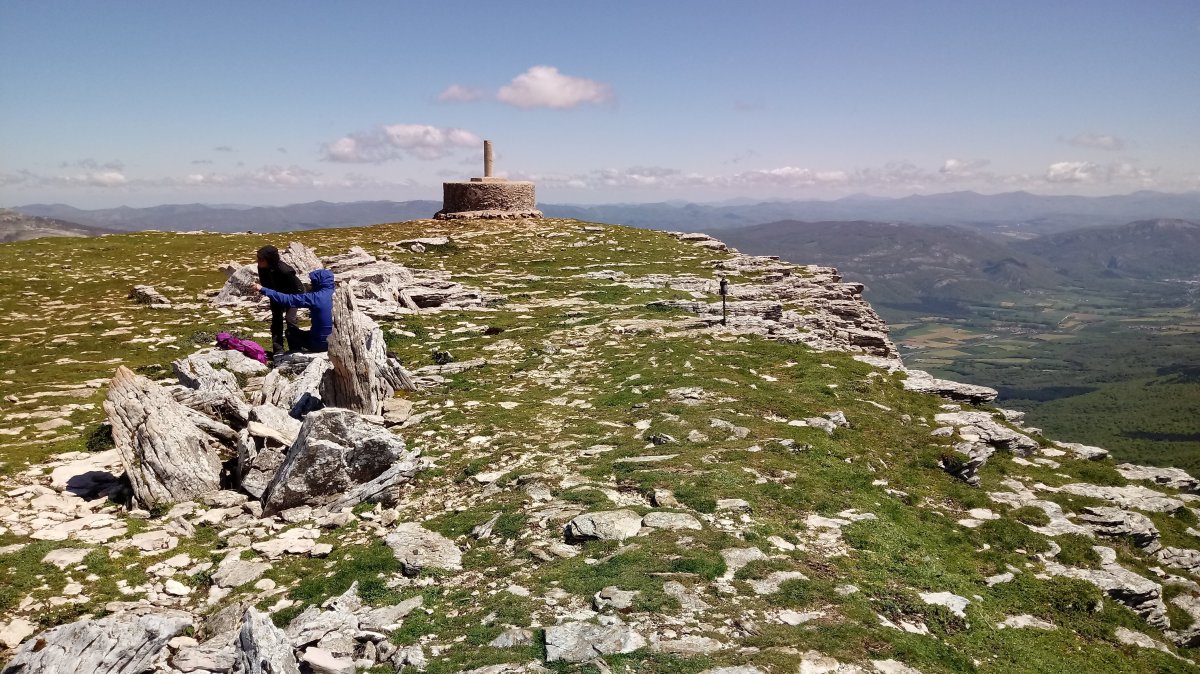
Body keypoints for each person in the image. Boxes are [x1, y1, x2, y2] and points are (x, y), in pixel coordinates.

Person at [252, 269, 335, 353]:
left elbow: (287, 299)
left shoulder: (316, 297)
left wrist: (262, 289)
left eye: (313, 282)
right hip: (336, 343)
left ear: (318, 282)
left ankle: (295, 354)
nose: (311, 284)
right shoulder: (338, 295)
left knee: (291, 332)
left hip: (320, 345)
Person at [255, 245, 305, 358]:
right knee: (276, 320)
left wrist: (288, 300)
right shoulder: (262, 267)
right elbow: (265, 283)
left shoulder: (285, 270)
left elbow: (296, 288)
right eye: (258, 258)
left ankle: (295, 348)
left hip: (293, 295)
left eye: (261, 259)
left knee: (290, 319)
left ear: (270, 259)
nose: (258, 261)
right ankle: (278, 350)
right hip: (275, 294)